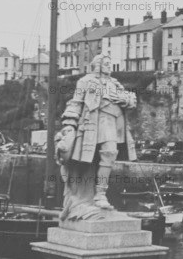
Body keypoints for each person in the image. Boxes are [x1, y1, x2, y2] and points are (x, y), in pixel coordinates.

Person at [57, 54, 137, 221]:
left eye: (110, 63)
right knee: (108, 152)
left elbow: (131, 100)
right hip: (97, 121)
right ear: (98, 65)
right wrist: (69, 125)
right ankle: (99, 195)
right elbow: (76, 102)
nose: (109, 66)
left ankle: (100, 194)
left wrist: (124, 99)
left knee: (109, 154)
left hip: (116, 121)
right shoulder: (85, 81)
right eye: (106, 63)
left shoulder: (114, 83)